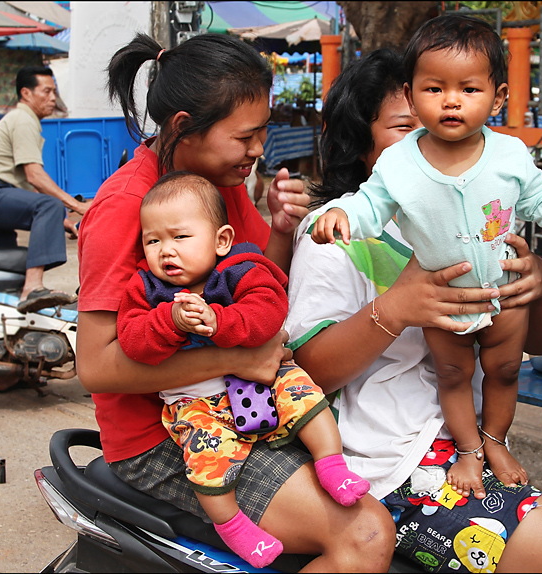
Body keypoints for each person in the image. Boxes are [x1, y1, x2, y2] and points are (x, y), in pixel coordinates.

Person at [285, 46, 542, 572]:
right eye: (408, 125)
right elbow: (310, 370)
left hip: (471, 447)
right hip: (398, 467)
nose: (431, 139)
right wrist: (396, 309)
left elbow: (540, 343)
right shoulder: (336, 236)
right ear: (363, 146)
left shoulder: (482, 216)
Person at [75, 33, 394, 572]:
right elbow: (96, 366)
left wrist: (281, 231)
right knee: (364, 534)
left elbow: (250, 280)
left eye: (262, 133)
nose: (258, 151)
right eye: (245, 136)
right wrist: (235, 359)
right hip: (164, 433)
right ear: (182, 128)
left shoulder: (217, 186)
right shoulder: (125, 207)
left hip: (246, 402)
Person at [311, 15, 542, 498]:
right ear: (412, 95)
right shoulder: (399, 163)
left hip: (503, 295)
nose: (451, 100)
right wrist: (340, 217)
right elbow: (369, 203)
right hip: (444, 303)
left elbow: (539, 196)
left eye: (468, 89)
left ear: (498, 98)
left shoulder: (510, 155)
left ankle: (495, 442)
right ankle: (470, 450)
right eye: (434, 89)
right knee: (453, 374)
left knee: (506, 370)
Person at [116, 171, 369, 567]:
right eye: (153, 241)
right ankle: (232, 526)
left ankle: (331, 464)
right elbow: (131, 339)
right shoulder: (147, 290)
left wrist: (221, 322)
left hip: (260, 379)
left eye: (180, 237)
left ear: (221, 240)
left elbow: (270, 307)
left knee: (306, 398)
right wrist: (171, 322)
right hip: (196, 400)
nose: (166, 251)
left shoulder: (239, 268)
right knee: (205, 459)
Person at [0, 66, 89, 315]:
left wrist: (61, 220)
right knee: (49, 205)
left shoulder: (20, 119)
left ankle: (4, 313)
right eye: (46, 91)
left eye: (54, 92)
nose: (53, 98)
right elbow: (34, 176)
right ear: (26, 93)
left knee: (7, 267)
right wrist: (76, 206)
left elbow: (23, 187)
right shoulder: (23, 119)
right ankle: (33, 288)